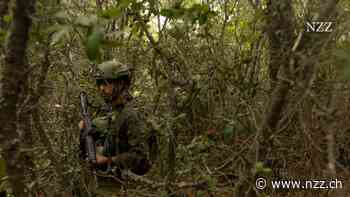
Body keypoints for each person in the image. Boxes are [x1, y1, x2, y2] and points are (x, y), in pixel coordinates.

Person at [78, 60, 152, 189]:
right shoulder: (114, 110)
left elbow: (141, 159)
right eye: (99, 83)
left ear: (121, 83)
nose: (101, 88)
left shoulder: (132, 114)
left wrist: (108, 160)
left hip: (127, 188)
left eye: (106, 83)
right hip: (105, 184)